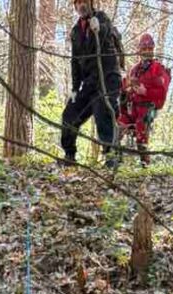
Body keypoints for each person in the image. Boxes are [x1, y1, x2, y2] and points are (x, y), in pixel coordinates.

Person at [62, 0, 125, 169]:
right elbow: (75, 62)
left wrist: (99, 28)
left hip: (107, 80)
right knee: (69, 114)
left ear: (91, 3)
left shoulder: (102, 18)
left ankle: (112, 157)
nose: (81, 6)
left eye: (84, 2)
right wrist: (75, 89)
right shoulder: (76, 31)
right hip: (89, 84)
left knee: (102, 111)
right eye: (78, 3)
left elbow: (107, 32)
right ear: (75, 6)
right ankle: (69, 156)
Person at [118, 32, 171, 165]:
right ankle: (114, 161)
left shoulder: (158, 69)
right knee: (116, 127)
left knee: (141, 130)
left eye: (149, 49)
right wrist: (127, 89)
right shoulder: (134, 70)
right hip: (131, 107)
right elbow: (124, 86)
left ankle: (145, 164)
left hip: (146, 108)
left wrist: (145, 91)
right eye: (144, 49)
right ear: (139, 51)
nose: (147, 52)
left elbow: (162, 93)